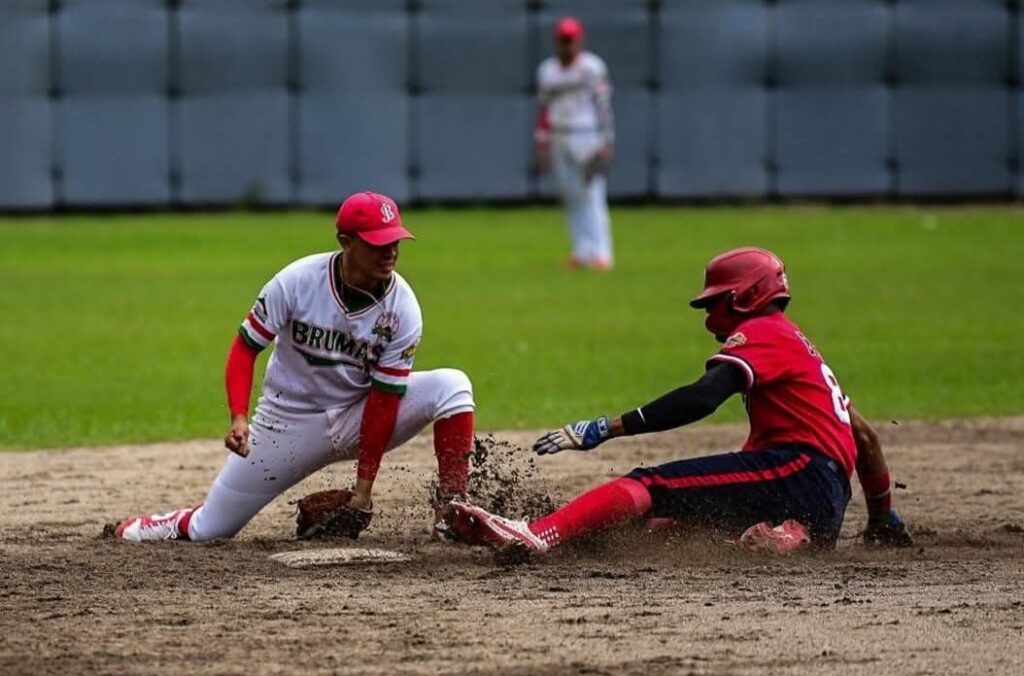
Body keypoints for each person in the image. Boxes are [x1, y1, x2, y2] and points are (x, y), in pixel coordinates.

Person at [440, 247, 913, 561]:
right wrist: (883, 519)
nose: (708, 314)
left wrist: (607, 427)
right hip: (823, 501)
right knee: (666, 523)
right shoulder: (804, 351)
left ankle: (538, 535)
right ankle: (783, 536)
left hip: (796, 472)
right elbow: (866, 439)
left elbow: (703, 398)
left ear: (746, 296)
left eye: (715, 302)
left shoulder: (765, 333)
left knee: (650, 483)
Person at [116, 192, 475, 542]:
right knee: (210, 530)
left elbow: (384, 400)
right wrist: (239, 416)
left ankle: (452, 513)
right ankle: (157, 524)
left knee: (452, 387)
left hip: (357, 416)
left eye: (395, 240)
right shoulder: (297, 281)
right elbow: (245, 348)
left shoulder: (403, 307)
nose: (391, 251)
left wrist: (363, 488)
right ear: (345, 242)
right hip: (286, 424)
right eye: (377, 243)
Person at [535, 16, 615, 271]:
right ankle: (581, 250)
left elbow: (603, 106)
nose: (567, 45)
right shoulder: (547, 70)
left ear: (579, 40)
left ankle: (602, 253)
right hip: (560, 134)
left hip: (586, 135)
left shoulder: (591, 67)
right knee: (570, 196)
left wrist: (606, 139)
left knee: (592, 194)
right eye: (563, 40)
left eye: (571, 40)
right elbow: (544, 110)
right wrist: (542, 142)